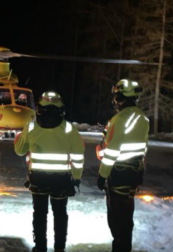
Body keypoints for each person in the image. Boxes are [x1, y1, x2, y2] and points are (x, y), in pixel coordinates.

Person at [14, 91, 85, 252]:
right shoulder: (68, 128)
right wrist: (77, 176)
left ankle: (40, 247)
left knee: (39, 214)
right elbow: (78, 155)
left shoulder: (31, 126)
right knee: (60, 214)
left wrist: (20, 138)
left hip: (38, 179)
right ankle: (59, 248)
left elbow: (19, 150)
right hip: (61, 180)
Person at [96, 79, 150, 252]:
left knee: (117, 221)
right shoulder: (143, 118)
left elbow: (111, 151)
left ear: (120, 98)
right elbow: (142, 149)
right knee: (127, 219)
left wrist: (102, 175)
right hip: (133, 176)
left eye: (116, 97)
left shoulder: (119, 119)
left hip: (118, 175)